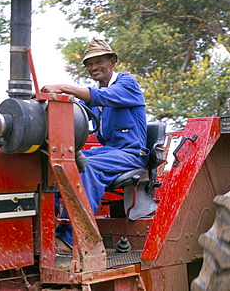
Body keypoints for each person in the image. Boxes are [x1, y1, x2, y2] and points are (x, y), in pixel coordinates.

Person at [41, 38, 149, 252]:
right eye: (89, 64)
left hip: (131, 153)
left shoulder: (127, 83)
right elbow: (76, 114)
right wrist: (45, 106)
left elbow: (100, 96)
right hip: (109, 152)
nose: (93, 67)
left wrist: (63, 87)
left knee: (86, 166)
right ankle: (48, 230)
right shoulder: (93, 95)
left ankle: (74, 239)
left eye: (98, 61)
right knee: (56, 163)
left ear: (112, 61)